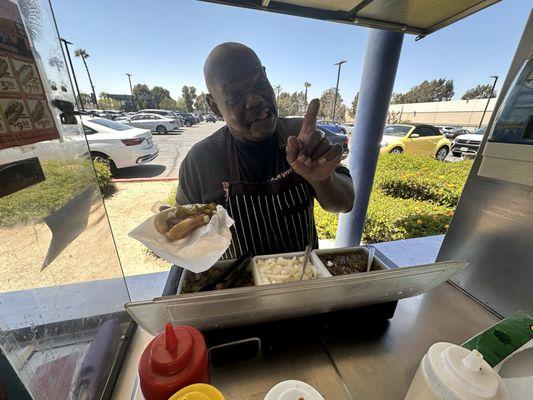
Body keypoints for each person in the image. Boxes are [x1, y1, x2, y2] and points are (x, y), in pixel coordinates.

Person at [176, 42, 354, 258]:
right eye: (235, 96)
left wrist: (322, 179)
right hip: (241, 286)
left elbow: (346, 203)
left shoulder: (298, 136)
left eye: (260, 84)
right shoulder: (200, 161)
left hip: (303, 281)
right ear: (214, 106)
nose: (255, 100)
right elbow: (185, 240)